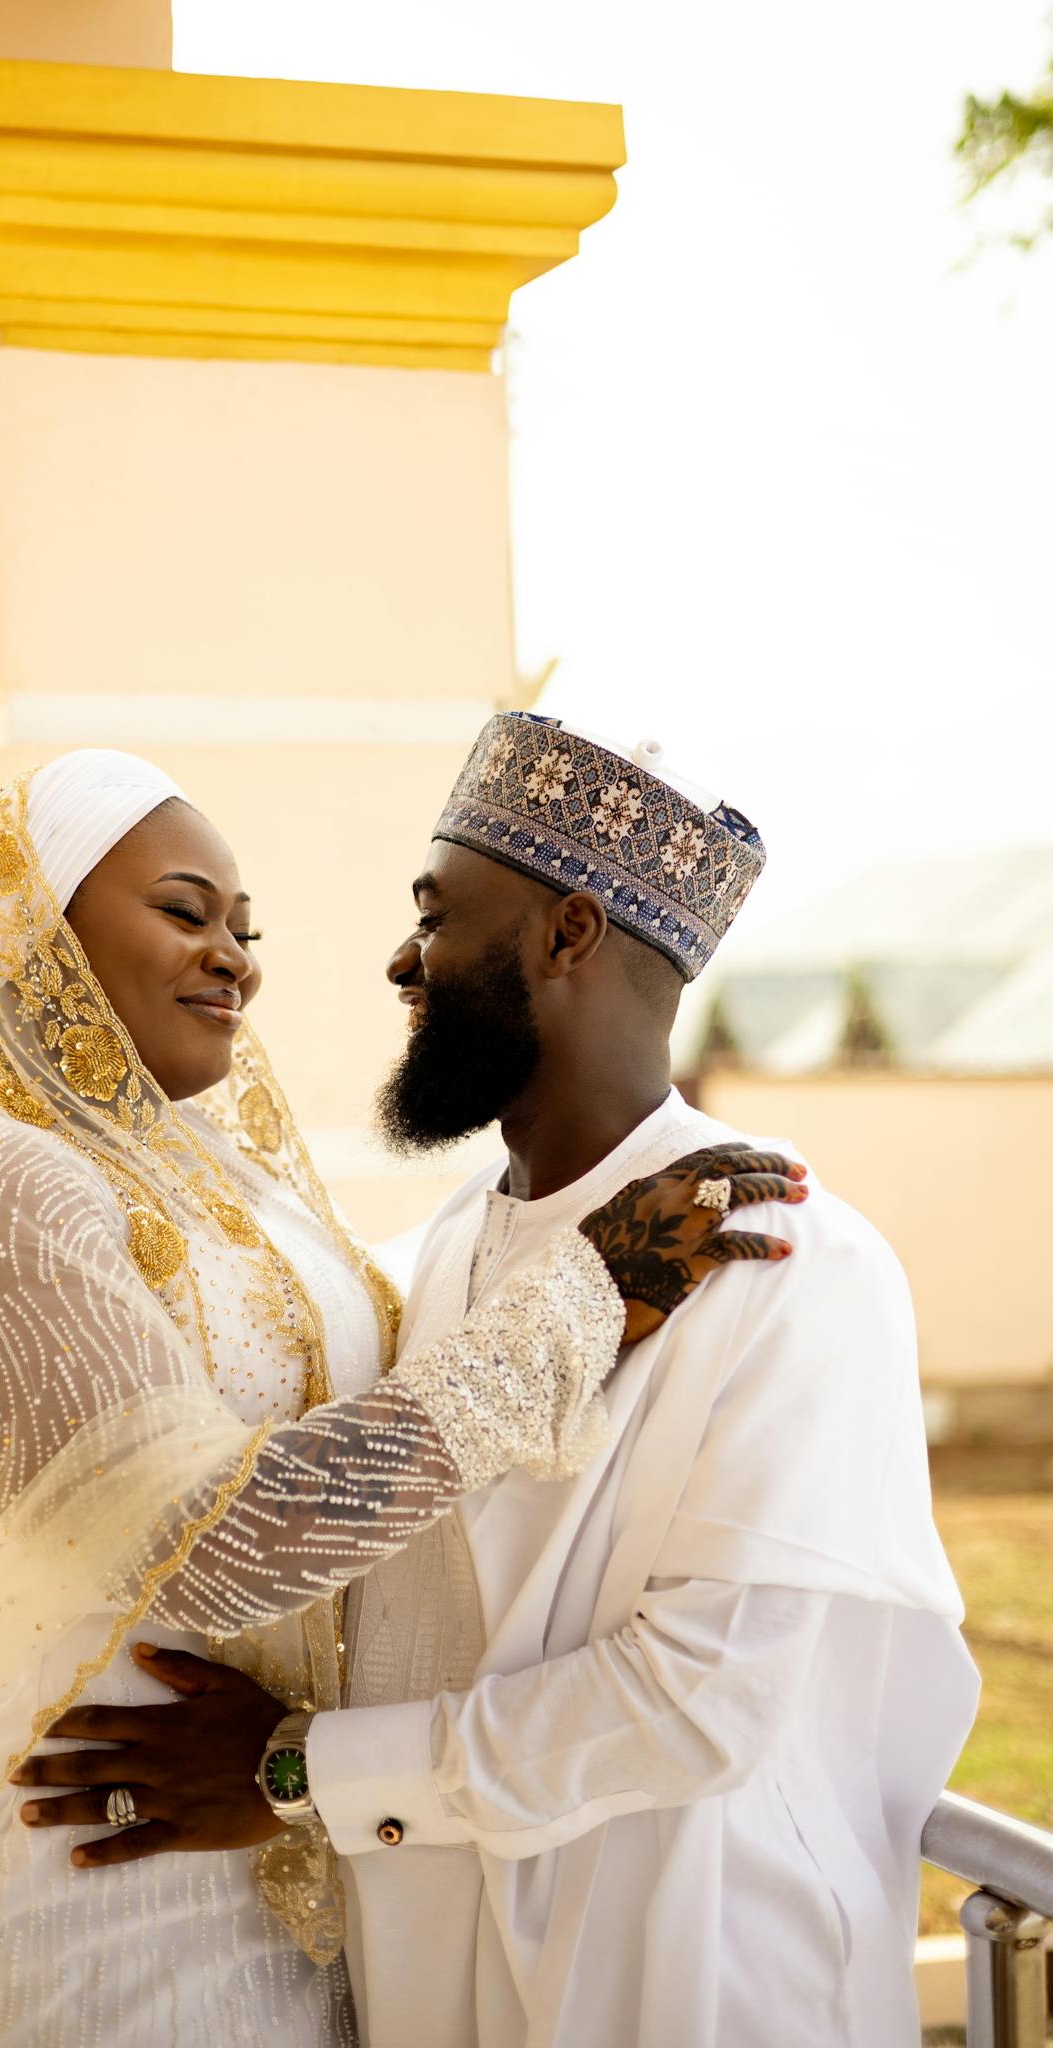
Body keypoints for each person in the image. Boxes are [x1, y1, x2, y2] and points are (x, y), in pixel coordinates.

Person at [0, 748, 799, 2048]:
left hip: (246, 1841)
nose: (235, 956)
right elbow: (208, 1551)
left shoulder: (204, 1188)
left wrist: (300, 1772)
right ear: (28, 931)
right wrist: (576, 1300)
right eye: (184, 912)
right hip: (84, 1861)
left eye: (245, 929)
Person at [58, 717, 979, 2048]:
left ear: (566, 934)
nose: (398, 959)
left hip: (686, 1983)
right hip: (435, 1980)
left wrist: (299, 1770)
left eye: (432, 916)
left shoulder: (787, 1259)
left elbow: (696, 1703)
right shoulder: (438, 1258)